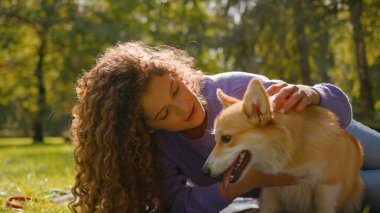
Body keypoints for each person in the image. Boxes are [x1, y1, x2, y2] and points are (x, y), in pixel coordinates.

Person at [70, 41, 380, 213]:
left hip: (329, 136)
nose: (184, 107)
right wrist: (239, 187)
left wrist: (312, 94)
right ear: (147, 127)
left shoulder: (233, 87)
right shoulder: (164, 147)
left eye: (176, 89)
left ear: (176, 75)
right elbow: (181, 205)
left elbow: (341, 111)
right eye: (165, 114)